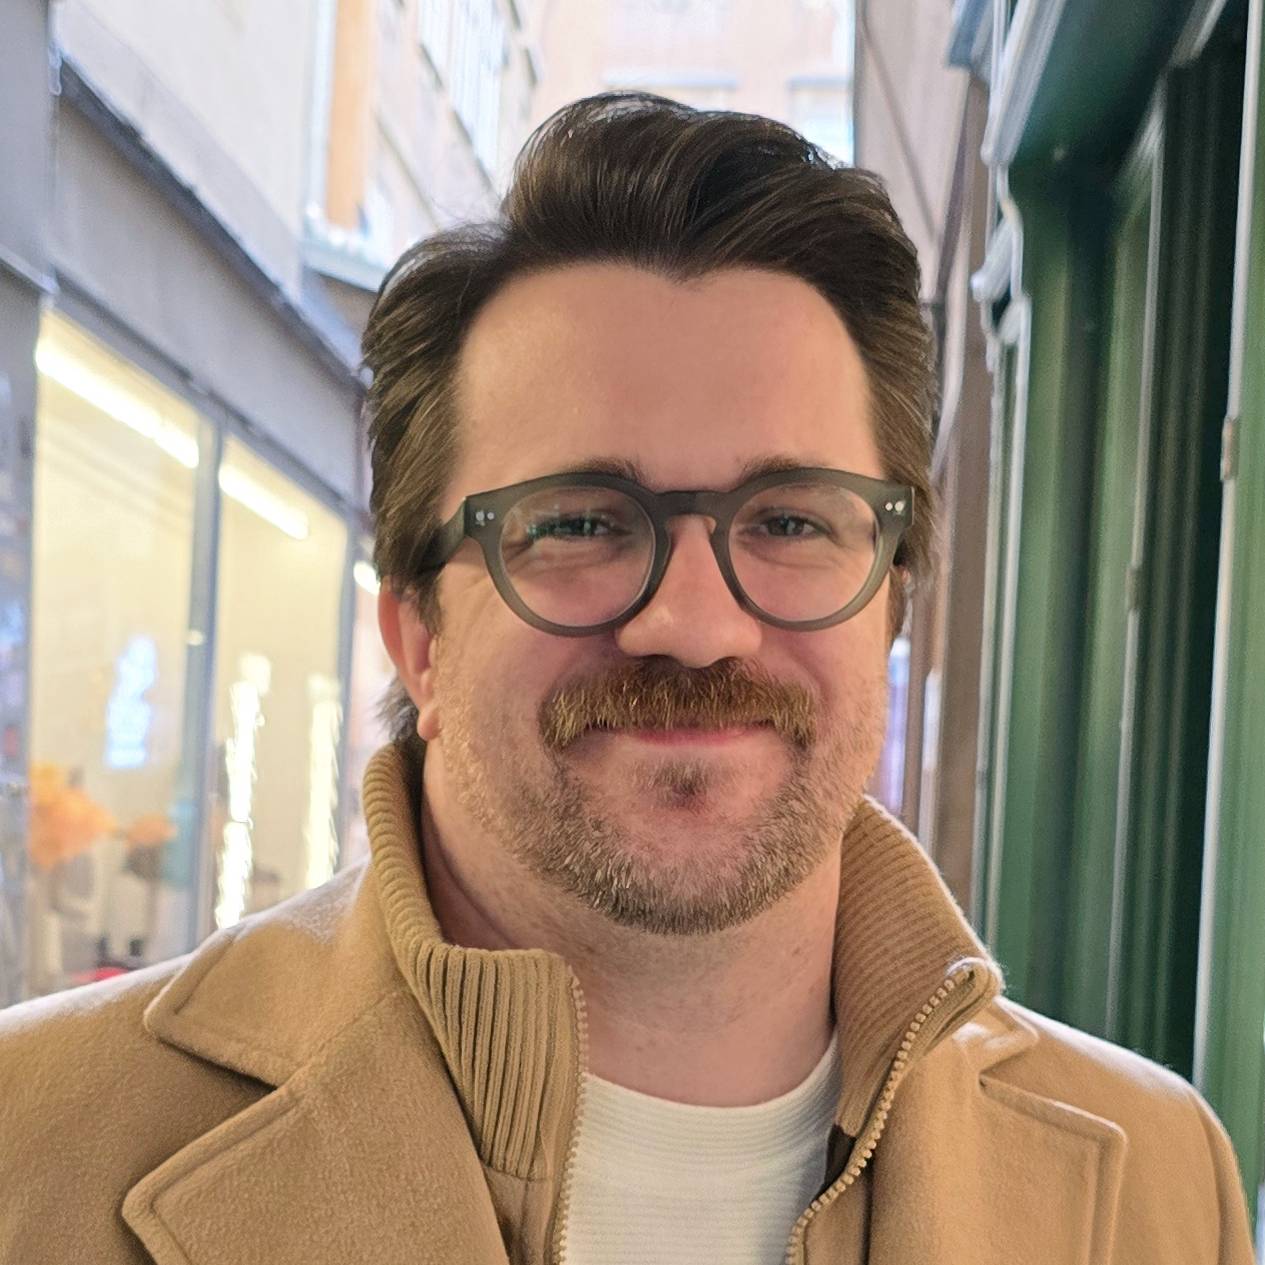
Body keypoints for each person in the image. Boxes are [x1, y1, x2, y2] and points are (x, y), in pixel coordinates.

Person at [0, 92, 1253, 1265]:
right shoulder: (32, 1143)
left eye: (790, 519)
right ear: (418, 635)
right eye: (581, 523)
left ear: (891, 603)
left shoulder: (1160, 1179)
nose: (696, 625)